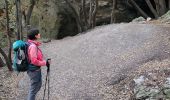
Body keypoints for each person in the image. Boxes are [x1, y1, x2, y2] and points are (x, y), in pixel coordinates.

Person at [27, 28, 51, 100]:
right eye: (38, 33)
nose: (39, 34)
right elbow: (34, 61)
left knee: (38, 85)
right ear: (36, 36)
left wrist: (44, 62)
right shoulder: (33, 46)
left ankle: (31, 97)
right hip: (34, 70)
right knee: (33, 89)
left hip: (35, 69)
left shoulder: (32, 44)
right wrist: (45, 63)